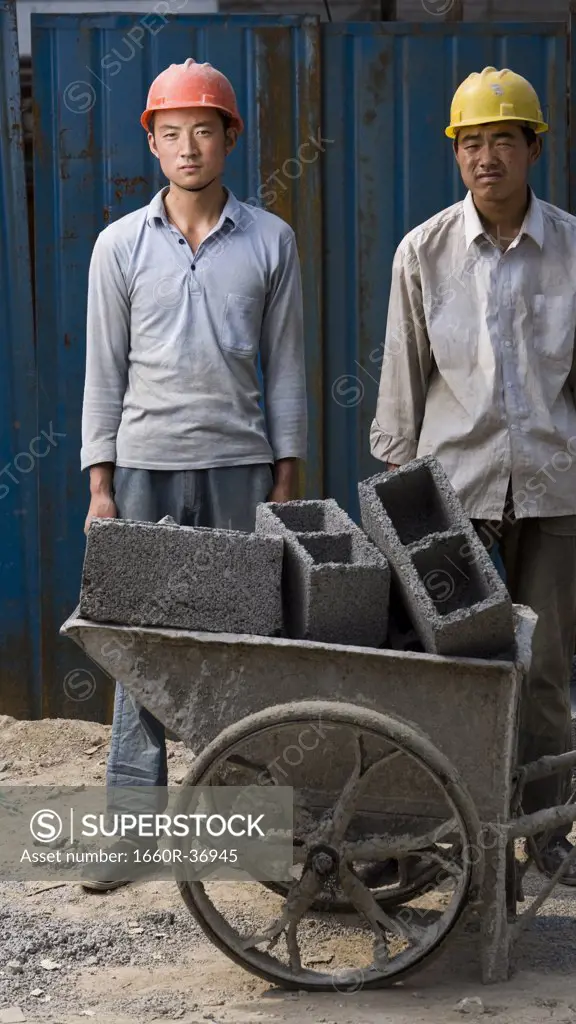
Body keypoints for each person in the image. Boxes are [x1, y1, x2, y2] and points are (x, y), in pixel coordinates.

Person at [369, 66, 576, 886]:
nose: (486, 158)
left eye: (502, 141)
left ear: (532, 149)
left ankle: (545, 831)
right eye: (471, 143)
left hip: (549, 491)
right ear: (457, 155)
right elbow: (402, 385)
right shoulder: (425, 251)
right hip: (454, 499)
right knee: (456, 670)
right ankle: (450, 829)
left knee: (545, 668)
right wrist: (403, 504)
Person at [79, 57, 307, 891]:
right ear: (153, 141)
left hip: (239, 467)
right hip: (144, 467)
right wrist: (100, 484)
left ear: (230, 138)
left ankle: (239, 827)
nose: (186, 147)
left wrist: (287, 475)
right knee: (140, 648)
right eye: (170, 133)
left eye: (202, 130)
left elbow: (285, 368)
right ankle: (130, 831)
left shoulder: (270, 239)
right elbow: (104, 370)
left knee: (243, 645)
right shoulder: (119, 246)